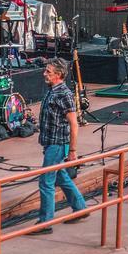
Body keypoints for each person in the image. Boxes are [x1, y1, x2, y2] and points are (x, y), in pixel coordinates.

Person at [30, 58, 89, 235]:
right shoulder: (52, 91)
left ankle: (45, 222)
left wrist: (72, 151)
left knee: (46, 181)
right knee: (61, 177)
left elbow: (74, 124)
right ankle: (80, 207)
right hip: (50, 143)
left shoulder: (63, 93)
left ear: (59, 74)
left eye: (48, 71)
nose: (44, 74)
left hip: (58, 144)